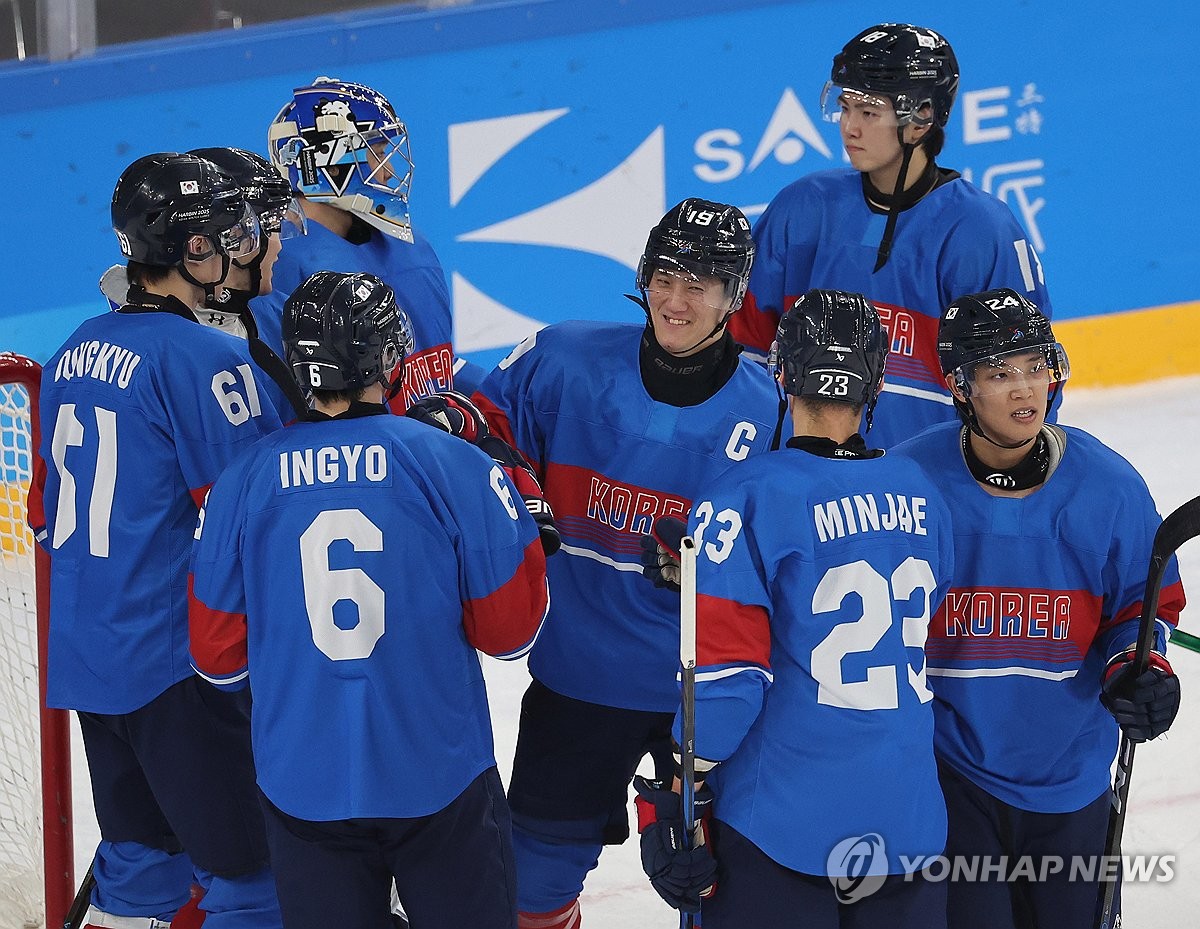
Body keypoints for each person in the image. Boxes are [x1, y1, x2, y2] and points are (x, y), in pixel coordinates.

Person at [189, 270, 551, 929]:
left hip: (302, 779)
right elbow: (510, 634)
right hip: (437, 774)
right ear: (388, 357)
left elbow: (216, 658)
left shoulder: (240, 481)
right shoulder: (453, 463)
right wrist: (517, 503)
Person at [471, 198, 780, 929]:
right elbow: (478, 419)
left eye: (700, 283)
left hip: (710, 700)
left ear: (734, 296)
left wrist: (716, 574)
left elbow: (790, 563)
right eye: (665, 276)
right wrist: (508, 474)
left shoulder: (771, 411)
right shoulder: (564, 360)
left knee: (723, 888)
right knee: (532, 888)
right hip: (581, 679)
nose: (676, 299)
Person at [635, 289, 955, 927]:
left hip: (781, 821)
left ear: (781, 374)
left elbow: (728, 687)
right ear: (877, 382)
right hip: (906, 815)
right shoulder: (922, 491)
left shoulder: (745, 498)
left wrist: (678, 783)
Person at [30, 152, 284, 928]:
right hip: (174, 666)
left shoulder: (73, 347)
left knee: (142, 872)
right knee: (251, 877)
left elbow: (44, 512)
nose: (239, 244)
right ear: (192, 250)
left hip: (85, 660)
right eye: (221, 233)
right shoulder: (204, 356)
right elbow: (258, 512)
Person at [892, 288, 1185, 929]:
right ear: (961, 387)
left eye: (1035, 366)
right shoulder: (908, 479)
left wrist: (1140, 669)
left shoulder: (1109, 487)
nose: (1026, 390)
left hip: (1070, 773)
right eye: (1000, 373)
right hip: (949, 772)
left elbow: (1144, 604)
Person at [727, 23, 1054, 448]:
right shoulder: (802, 209)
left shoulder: (979, 232)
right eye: (845, 108)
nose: (850, 127)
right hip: (808, 472)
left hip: (933, 486)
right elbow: (745, 346)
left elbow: (1027, 374)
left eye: (868, 112)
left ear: (921, 119)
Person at [256, 75, 486, 406]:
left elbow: (435, 368)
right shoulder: (282, 265)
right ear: (330, 163)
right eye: (378, 154)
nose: (390, 172)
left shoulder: (411, 244)